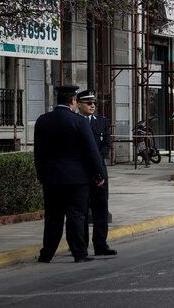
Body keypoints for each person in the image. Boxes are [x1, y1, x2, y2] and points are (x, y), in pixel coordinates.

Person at [34, 85, 106, 263]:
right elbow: (91, 151)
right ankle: (79, 253)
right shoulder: (79, 121)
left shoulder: (42, 120)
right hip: (77, 178)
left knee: (53, 216)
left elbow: (38, 152)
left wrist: (41, 175)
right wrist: (99, 173)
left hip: (51, 178)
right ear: (73, 101)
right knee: (76, 214)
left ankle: (47, 254)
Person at [77, 89, 117, 256]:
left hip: (100, 171)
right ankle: (82, 246)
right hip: (82, 172)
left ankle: (101, 244)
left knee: (101, 209)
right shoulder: (76, 122)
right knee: (83, 211)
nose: (92, 105)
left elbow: (106, 144)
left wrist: (97, 160)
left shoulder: (101, 122)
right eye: (88, 103)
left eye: (94, 102)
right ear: (78, 104)